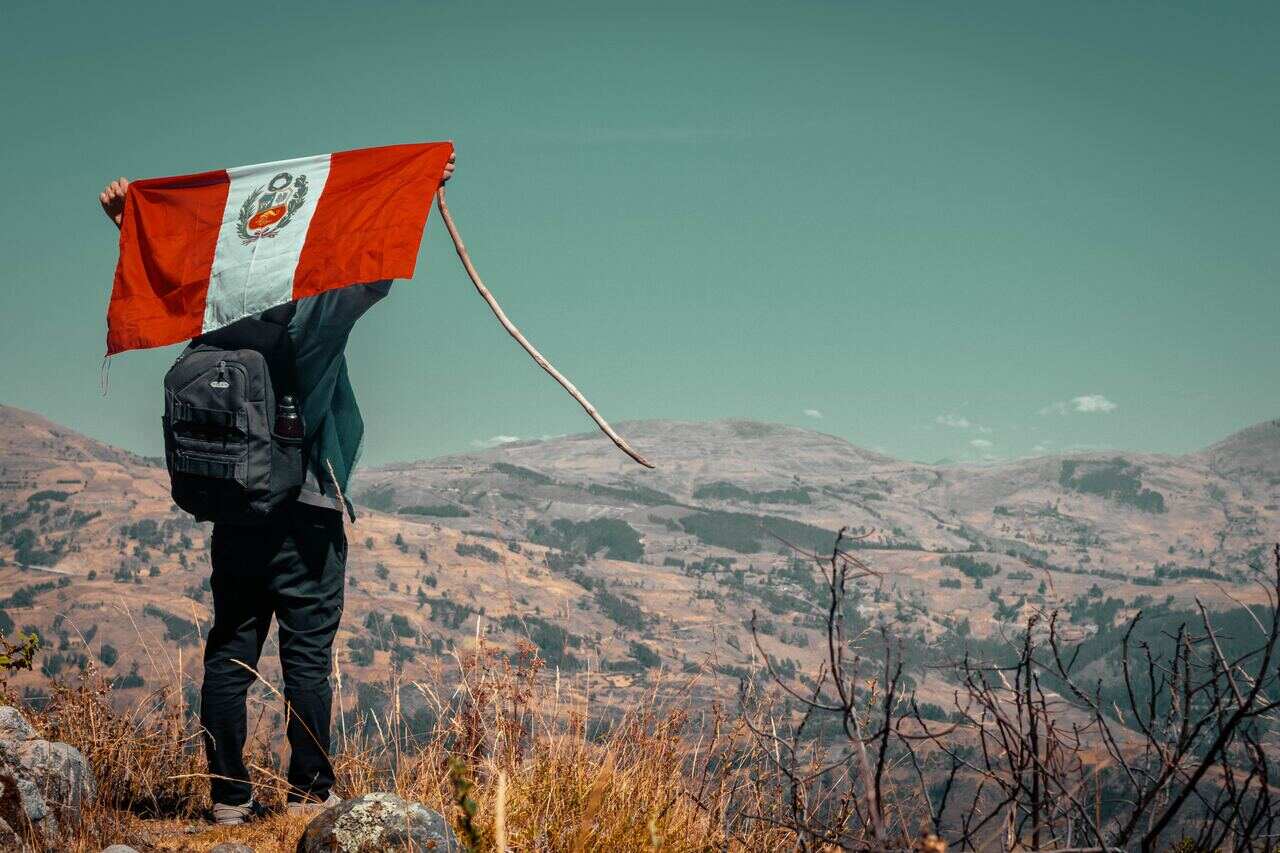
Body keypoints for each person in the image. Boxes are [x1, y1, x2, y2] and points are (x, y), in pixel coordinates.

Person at [98, 151, 455, 824]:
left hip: (235, 513)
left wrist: (127, 218)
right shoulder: (315, 314)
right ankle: (310, 792)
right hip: (307, 511)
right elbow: (375, 272)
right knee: (307, 660)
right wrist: (416, 184)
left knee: (230, 650)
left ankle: (229, 797)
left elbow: (169, 264)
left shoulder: (216, 312)